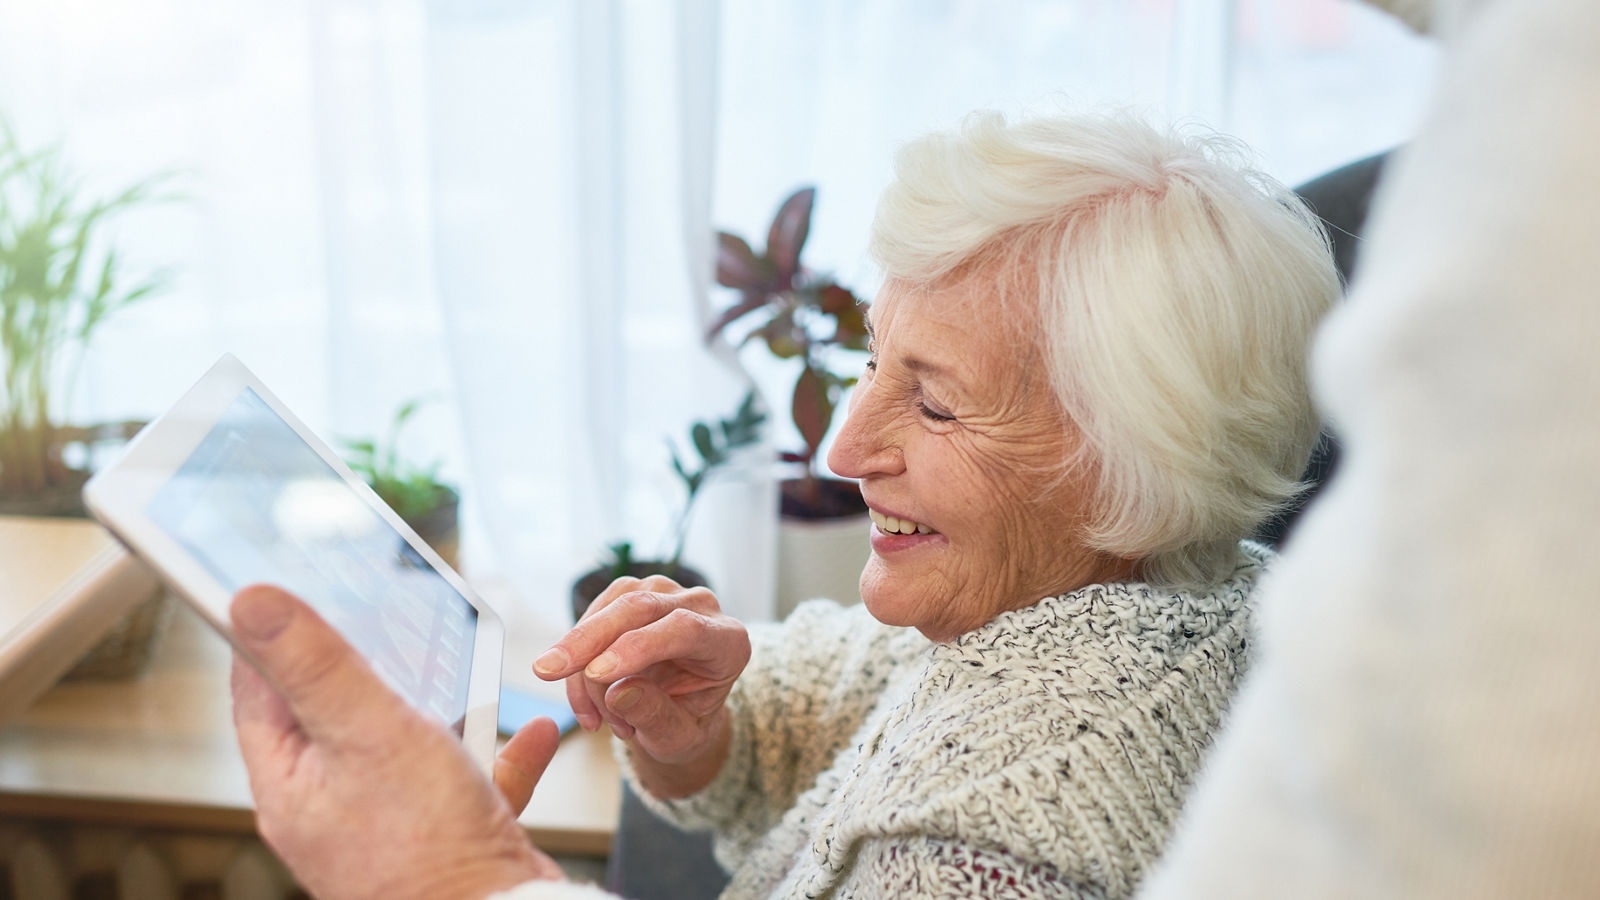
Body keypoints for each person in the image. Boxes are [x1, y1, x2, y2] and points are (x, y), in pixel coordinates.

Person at [231, 107, 1340, 900]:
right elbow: (839, 701)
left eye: (938, 407)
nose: (844, 443)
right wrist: (695, 732)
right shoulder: (1169, 604)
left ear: (1129, 474)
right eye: (871, 365)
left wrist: (451, 880)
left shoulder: (995, 859)